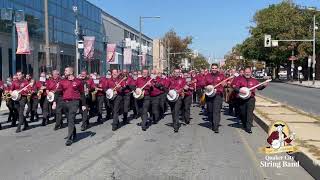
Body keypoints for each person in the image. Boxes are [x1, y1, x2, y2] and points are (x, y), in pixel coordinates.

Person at [53, 67, 86, 146]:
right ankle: (73, 133)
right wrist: (54, 102)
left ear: (71, 72)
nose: (64, 71)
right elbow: (57, 92)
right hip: (65, 103)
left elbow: (82, 94)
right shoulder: (62, 81)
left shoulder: (78, 82)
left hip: (75, 102)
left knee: (71, 119)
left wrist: (83, 105)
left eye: (66, 70)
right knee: (69, 120)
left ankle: (69, 139)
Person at [233, 67, 268, 133]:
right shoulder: (239, 79)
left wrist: (264, 86)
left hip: (250, 99)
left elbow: (259, 87)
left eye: (248, 72)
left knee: (249, 113)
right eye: (246, 72)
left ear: (251, 73)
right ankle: (244, 123)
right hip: (241, 99)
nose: (247, 73)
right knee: (243, 113)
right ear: (244, 72)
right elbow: (235, 87)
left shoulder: (254, 80)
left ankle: (248, 128)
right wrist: (240, 90)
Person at [204, 63, 225, 133]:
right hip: (209, 95)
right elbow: (203, 84)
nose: (214, 69)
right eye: (213, 68)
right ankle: (212, 122)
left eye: (215, 68)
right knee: (210, 111)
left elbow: (226, 84)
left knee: (216, 111)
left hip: (218, 95)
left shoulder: (221, 76)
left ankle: (216, 126)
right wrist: (206, 87)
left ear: (217, 68)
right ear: (211, 68)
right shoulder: (207, 76)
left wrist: (224, 84)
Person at [168, 68, 186, 133]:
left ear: (179, 73)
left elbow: (184, 87)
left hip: (179, 97)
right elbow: (166, 87)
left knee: (176, 110)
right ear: (173, 72)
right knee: (173, 111)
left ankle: (176, 126)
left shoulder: (183, 79)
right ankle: (174, 122)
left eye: (178, 72)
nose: (177, 73)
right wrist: (169, 92)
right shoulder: (170, 79)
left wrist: (182, 89)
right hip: (171, 97)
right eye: (175, 72)